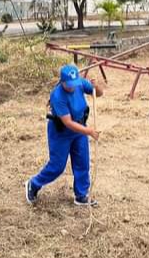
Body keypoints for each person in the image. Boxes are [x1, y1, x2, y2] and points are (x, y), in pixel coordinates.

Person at [26, 63, 104, 207]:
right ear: (62, 82)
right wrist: (89, 131)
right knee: (57, 166)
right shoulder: (57, 96)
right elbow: (68, 123)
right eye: (69, 84)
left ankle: (81, 195)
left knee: (82, 162)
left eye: (74, 83)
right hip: (61, 132)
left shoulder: (79, 83)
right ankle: (34, 184)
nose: (72, 87)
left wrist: (96, 86)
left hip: (79, 129)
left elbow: (98, 93)